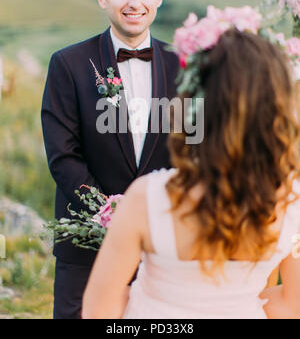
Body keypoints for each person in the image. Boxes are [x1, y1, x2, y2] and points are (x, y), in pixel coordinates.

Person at [82, 26, 300, 319]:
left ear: (194, 106)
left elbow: (99, 309)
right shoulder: (291, 202)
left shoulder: (147, 198)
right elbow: (292, 304)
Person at [41, 0, 179, 320]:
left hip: (164, 251)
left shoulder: (186, 66)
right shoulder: (67, 65)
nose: (135, 0)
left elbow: (194, 152)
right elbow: (63, 156)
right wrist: (107, 212)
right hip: (86, 251)